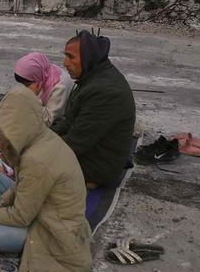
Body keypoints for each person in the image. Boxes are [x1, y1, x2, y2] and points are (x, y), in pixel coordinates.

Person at [0, 85, 93, 272]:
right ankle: (1, 219)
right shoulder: (42, 136)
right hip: (40, 210)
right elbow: (25, 184)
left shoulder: (35, 161)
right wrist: (7, 199)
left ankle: (4, 228)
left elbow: (21, 217)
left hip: (46, 231)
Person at [51, 29, 136, 188]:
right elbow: (70, 121)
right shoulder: (92, 76)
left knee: (31, 165)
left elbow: (75, 143)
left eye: (71, 57)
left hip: (98, 166)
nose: (65, 63)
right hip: (91, 149)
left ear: (88, 57)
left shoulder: (105, 91)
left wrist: (36, 149)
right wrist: (41, 135)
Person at [12, 52, 73, 125]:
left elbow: (48, 120)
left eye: (27, 85)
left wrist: (33, 97)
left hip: (60, 122)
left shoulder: (60, 87)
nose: (26, 88)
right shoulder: (42, 71)